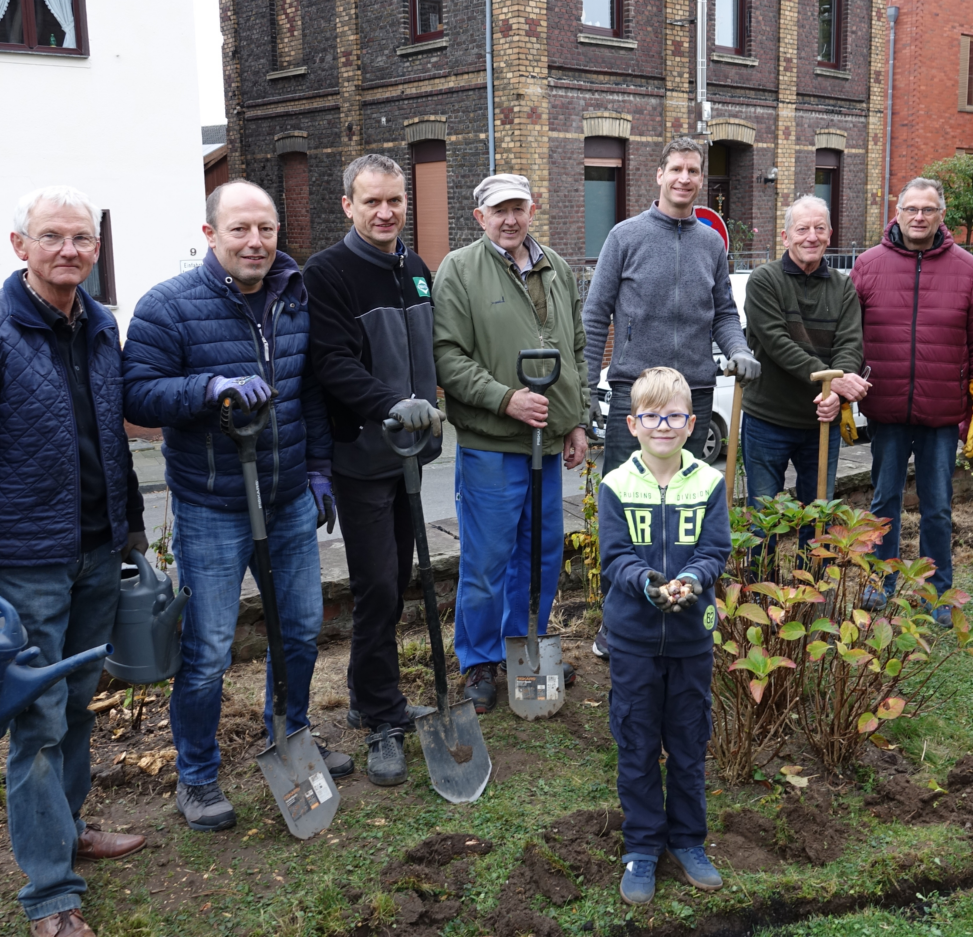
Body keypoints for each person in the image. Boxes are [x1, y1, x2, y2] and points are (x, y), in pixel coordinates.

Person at [0, 186, 147, 937]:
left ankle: (71, 828)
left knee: (78, 702)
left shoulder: (99, 323)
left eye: (82, 238)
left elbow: (111, 439)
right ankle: (50, 891)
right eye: (51, 237)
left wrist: (134, 526)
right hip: (24, 562)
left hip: (94, 550)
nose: (69, 251)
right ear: (20, 246)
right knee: (38, 722)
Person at [123, 179, 347, 834]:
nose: (255, 241)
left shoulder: (294, 296)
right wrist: (208, 388)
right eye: (240, 229)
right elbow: (137, 395)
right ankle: (195, 775)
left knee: (301, 628)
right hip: (212, 502)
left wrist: (318, 469)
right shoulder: (168, 306)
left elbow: (307, 393)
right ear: (210, 234)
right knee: (210, 646)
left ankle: (291, 734)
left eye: (266, 229)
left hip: (285, 499)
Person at [582, 136, 758, 657]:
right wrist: (586, 385)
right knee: (627, 506)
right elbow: (596, 314)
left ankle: (681, 607)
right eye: (676, 169)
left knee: (687, 508)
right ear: (658, 175)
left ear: (701, 179)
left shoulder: (711, 244)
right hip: (636, 395)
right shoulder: (625, 236)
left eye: (694, 171)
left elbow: (725, 312)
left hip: (695, 395)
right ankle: (618, 623)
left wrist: (739, 348)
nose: (685, 178)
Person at [304, 153, 446, 786]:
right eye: (372, 202)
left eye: (394, 200)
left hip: (411, 458)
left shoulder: (414, 268)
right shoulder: (327, 274)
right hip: (364, 457)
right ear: (348, 206)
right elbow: (331, 363)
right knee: (377, 588)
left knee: (401, 582)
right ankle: (383, 714)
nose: (385, 212)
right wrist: (393, 406)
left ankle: (371, 697)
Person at [431, 174, 590, 712]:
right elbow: (449, 359)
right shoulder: (459, 270)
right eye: (498, 210)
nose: (509, 219)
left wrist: (576, 420)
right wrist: (506, 400)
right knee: (487, 559)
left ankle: (527, 650)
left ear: (532, 208)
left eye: (518, 208)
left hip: (547, 443)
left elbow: (576, 349)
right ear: (480, 217)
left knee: (541, 556)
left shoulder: (559, 269)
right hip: (493, 443)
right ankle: (478, 663)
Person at [597, 366, 731, 906]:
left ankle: (688, 841)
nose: (663, 426)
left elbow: (714, 550)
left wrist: (693, 580)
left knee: (689, 742)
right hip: (632, 641)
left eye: (674, 416)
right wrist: (648, 583)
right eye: (651, 416)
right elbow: (614, 556)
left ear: (691, 422)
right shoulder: (616, 485)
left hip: (690, 642)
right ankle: (643, 846)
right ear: (632, 423)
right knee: (636, 743)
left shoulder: (709, 482)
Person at [850, 177, 973, 618]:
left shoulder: (968, 269)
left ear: (941, 216)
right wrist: (845, 392)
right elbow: (849, 337)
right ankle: (880, 582)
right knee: (883, 502)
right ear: (897, 213)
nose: (919, 217)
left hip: (941, 412)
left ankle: (936, 593)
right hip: (887, 406)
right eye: (911, 209)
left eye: (928, 210)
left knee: (937, 507)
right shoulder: (868, 264)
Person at [740, 195, 868, 543]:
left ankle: (811, 593)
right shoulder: (764, 280)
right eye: (802, 229)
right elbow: (778, 344)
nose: (811, 236)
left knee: (819, 518)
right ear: (785, 236)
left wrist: (833, 392)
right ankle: (758, 591)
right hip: (768, 418)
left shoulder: (842, 287)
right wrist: (833, 383)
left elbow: (849, 344)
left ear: (829, 235)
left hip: (820, 423)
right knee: (763, 519)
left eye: (819, 228)